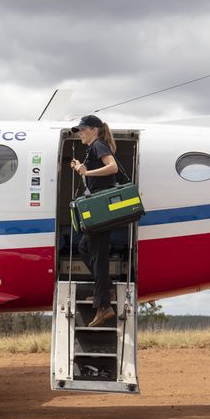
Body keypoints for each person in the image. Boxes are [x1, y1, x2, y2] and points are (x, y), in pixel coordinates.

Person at [70, 114, 119, 327]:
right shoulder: (93, 148)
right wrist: (81, 168)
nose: (80, 132)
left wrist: (87, 170)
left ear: (95, 130)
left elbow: (113, 167)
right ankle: (104, 290)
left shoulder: (99, 145)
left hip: (101, 210)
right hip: (99, 209)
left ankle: (104, 306)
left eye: (83, 129)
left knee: (98, 257)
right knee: (84, 247)